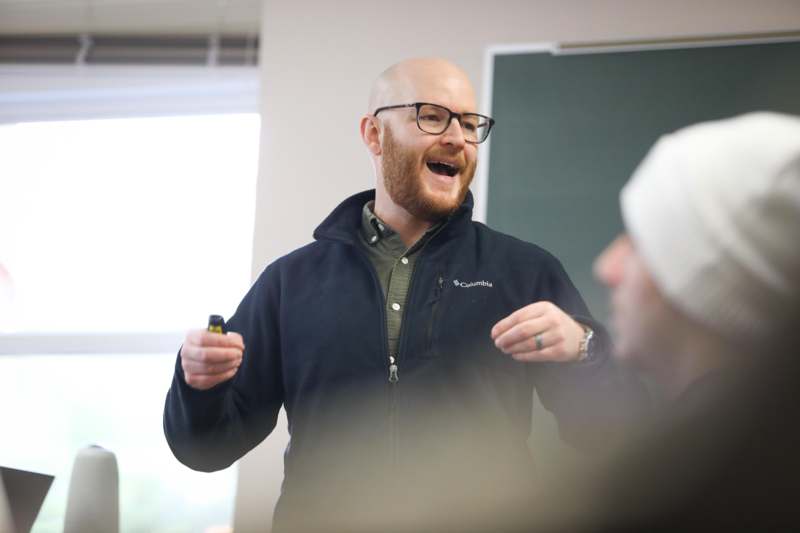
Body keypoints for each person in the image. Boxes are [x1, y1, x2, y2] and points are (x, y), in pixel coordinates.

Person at [163, 57, 647, 533]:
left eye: (469, 123)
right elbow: (207, 450)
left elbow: (612, 439)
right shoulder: (289, 283)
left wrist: (585, 349)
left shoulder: (523, 272)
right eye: (433, 116)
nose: (457, 138)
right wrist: (200, 388)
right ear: (374, 135)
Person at [527, 112, 800, 533]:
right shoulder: (741, 459)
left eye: (638, 244)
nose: (607, 267)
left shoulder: (702, 491)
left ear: (704, 275)